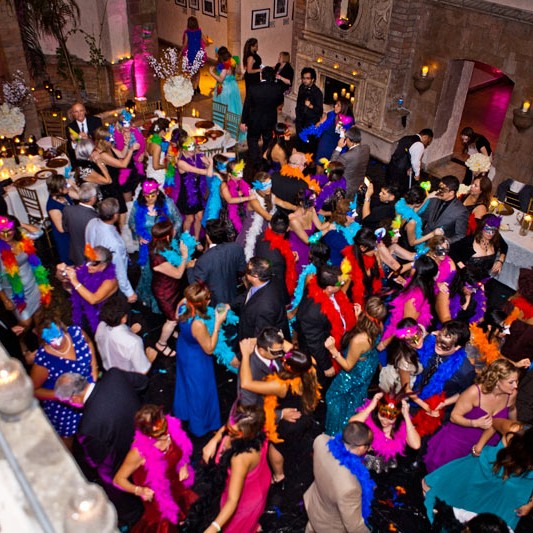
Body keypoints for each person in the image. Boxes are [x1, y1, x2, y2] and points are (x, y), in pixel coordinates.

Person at [54, 369, 148, 527]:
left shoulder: (88, 427)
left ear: (74, 398)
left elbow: (98, 461)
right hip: (146, 437)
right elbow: (143, 383)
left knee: (108, 479)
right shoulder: (114, 375)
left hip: (125, 460)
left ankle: (131, 516)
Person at [423, 419, 533, 531]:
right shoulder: (514, 430)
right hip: (483, 474)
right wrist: (479, 447)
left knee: (490, 526)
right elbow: (493, 423)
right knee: (455, 509)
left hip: (510, 494)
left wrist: (531, 504)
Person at [239, 340, 320, 484]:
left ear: (288, 367)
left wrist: (245, 355)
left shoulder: (281, 386)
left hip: (289, 422)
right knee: (298, 442)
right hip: (304, 414)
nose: (282, 359)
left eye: (284, 360)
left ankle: (278, 475)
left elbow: (246, 384)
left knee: (276, 447)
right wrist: (273, 340)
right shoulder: (310, 367)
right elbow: (292, 351)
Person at [113, 405, 198, 531]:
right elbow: (118, 479)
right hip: (158, 496)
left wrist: (183, 464)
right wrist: (139, 490)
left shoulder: (172, 427)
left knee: (184, 511)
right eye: (158, 433)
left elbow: (183, 448)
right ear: (147, 433)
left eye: (164, 427)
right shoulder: (138, 453)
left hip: (177, 484)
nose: (166, 434)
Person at [424, 359, 517, 473]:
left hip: (485, 446)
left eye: (516, 381)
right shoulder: (475, 392)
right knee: (443, 475)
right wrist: (474, 423)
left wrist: (515, 429)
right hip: (458, 443)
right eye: (511, 382)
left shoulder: (511, 394)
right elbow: (454, 416)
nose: (515, 385)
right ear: (497, 381)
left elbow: (512, 409)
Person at [200, 404, 270, 533]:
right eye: (228, 428)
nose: (228, 433)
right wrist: (214, 439)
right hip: (258, 478)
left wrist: (213, 528)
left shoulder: (239, 459)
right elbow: (229, 426)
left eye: (233, 432)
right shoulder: (257, 425)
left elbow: (232, 501)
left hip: (246, 498)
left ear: (247, 435)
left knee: (235, 527)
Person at [324, 297, 388, 435]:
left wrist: (333, 350)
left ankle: (336, 433)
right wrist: (359, 318)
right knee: (354, 401)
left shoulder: (359, 339)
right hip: (368, 363)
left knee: (334, 399)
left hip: (355, 374)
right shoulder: (379, 326)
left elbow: (348, 366)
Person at [31, 318, 98, 447]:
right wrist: (63, 396)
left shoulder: (77, 333)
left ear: (63, 329)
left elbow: (89, 342)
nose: (57, 343)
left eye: (59, 337)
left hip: (87, 391)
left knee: (93, 427)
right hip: (65, 408)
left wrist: (94, 367)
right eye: (51, 341)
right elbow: (34, 390)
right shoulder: (44, 358)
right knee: (68, 438)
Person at [173, 283, 224, 437]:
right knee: (199, 390)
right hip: (196, 359)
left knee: (185, 383)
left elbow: (177, 312)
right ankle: (200, 426)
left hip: (184, 348)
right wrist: (217, 324)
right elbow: (209, 348)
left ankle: (184, 412)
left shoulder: (183, 307)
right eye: (207, 299)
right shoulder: (198, 324)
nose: (209, 301)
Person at [304, 421, 374, 533]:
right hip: (330, 526)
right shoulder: (350, 488)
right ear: (360, 447)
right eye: (369, 445)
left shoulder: (321, 441)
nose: (370, 448)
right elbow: (355, 527)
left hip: (314, 506)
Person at [295, 265, 356, 389]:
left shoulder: (331, 292)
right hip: (325, 356)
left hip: (339, 347)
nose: (343, 283)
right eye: (341, 282)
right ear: (329, 287)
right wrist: (326, 366)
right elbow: (315, 343)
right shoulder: (312, 312)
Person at [129, 179, 182, 312]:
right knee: (148, 273)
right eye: (147, 195)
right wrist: (139, 235)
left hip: (164, 246)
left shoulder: (168, 203)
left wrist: (172, 232)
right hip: (147, 247)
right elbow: (132, 223)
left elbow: (178, 220)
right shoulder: (137, 206)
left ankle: (164, 303)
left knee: (164, 276)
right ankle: (148, 300)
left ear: (158, 192)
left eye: (152, 194)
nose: (150, 198)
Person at [349, 391, 421, 473]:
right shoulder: (369, 420)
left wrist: (406, 416)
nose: (385, 421)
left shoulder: (400, 427)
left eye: (391, 418)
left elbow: (416, 445)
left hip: (386, 472)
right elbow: (352, 424)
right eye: (382, 415)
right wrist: (371, 406)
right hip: (362, 468)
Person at [0, 215, 51, 327]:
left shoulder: (22, 241)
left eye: (9, 230)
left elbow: (39, 232)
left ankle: (38, 335)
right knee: (25, 323)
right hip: (14, 292)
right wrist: (5, 300)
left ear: (15, 230)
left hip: (33, 285)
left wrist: (19, 224)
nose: (6, 235)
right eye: (2, 231)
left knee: (39, 315)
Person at [150, 220, 189, 357]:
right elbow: (178, 274)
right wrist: (184, 256)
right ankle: (161, 343)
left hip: (172, 287)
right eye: (172, 230)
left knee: (174, 314)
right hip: (165, 292)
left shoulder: (164, 246)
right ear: (167, 236)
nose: (175, 231)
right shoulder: (158, 258)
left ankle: (171, 332)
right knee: (173, 319)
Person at [235, 171, 296, 261]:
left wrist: (296, 208)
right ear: (258, 186)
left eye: (269, 184)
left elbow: (282, 203)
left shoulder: (270, 196)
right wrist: (284, 220)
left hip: (264, 232)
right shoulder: (254, 200)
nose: (268, 188)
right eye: (265, 186)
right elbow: (267, 216)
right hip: (251, 233)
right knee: (248, 258)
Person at [58, 245, 118, 335]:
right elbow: (65, 282)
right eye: (87, 260)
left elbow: (93, 299)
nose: (88, 264)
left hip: (105, 319)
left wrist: (74, 281)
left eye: (93, 262)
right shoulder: (86, 270)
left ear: (103, 265)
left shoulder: (111, 280)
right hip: (85, 315)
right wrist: (61, 272)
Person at [85, 197, 136, 303]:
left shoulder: (92, 222)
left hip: (96, 269)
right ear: (115, 215)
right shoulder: (114, 242)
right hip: (111, 278)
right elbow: (119, 268)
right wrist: (129, 292)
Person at [380, 255, 438, 348]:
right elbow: (395, 274)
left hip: (398, 337)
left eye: (414, 266)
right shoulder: (425, 285)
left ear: (417, 272)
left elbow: (407, 328)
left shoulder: (414, 298)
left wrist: (384, 344)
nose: (411, 267)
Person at [189, 218, 247, 306]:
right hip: (234, 296)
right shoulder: (236, 248)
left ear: (207, 237)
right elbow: (242, 269)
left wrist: (190, 268)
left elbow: (195, 286)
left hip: (215, 302)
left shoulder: (203, 260)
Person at [95, 294, 156, 374]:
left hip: (107, 370)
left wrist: (129, 331)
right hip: (127, 377)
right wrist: (150, 359)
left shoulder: (100, 327)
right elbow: (141, 373)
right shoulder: (134, 342)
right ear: (123, 319)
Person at [236, 257, 291, 340]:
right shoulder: (263, 281)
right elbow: (247, 295)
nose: (245, 272)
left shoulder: (265, 307)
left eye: (247, 270)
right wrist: (230, 305)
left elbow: (260, 338)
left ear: (255, 276)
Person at [241, 66, 285, 165]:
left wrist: (244, 121)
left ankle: (255, 162)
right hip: (270, 119)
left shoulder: (253, 88)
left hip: (255, 119)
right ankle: (265, 160)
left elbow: (247, 105)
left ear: (261, 75)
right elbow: (280, 102)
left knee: (252, 140)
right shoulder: (278, 88)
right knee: (268, 141)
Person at [255, 210, 297, 305]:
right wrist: (286, 302)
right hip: (271, 298)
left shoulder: (262, 236)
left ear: (270, 226)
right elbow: (280, 284)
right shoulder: (278, 261)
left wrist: (289, 256)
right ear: (288, 229)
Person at [451, 214, 508, 281]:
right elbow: (452, 249)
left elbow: (504, 246)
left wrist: (500, 261)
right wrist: (463, 268)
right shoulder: (469, 241)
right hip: (465, 280)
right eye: (488, 229)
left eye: (494, 229)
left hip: (484, 280)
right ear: (481, 228)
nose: (491, 233)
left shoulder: (496, 238)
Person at [176, 136, 212, 242]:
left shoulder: (197, 156)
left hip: (198, 191)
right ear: (182, 148)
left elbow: (208, 165)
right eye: (189, 147)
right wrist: (211, 163)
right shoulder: (181, 162)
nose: (192, 150)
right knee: (190, 218)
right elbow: (204, 172)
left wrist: (206, 159)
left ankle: (196, 239)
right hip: (188, 194)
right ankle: (186, 240)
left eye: (193, 147)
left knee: (199, 217)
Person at [289, 188, 330, 274]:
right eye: (311, 201)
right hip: (297, 251)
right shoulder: (293, 220)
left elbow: (320, 226)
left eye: (314, 201)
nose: (314, 204)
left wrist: (334, 220)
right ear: (301, 203)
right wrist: (326, 231)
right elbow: (308, 241)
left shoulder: (311, 210)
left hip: (309, 250)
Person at [340, 227, 383, 307]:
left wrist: (378, 259)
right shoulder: (348, 263)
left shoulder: (373, 254)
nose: (375, 251)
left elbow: (379, 275)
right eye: (372, 249)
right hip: (356, 303)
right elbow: (343, 292)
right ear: (362, 248)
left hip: (372, 298)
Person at [421, 175, 469, 244]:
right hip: (422, 238)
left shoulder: (461, 211)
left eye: (443, 190)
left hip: (438, 245)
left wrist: (444, 242)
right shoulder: (434, 198)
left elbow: (460, 235)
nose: (439, 191)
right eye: (439, 188)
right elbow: (423, 216)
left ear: (451, 193)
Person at [387, 128, 433, 195]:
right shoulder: (419, 145)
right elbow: (415, 162)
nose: (427, 144)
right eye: (428, 141)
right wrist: (417, 174)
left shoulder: (405, 138)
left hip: (392, 165)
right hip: (402, 171)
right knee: (398, 190)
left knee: (390, 187)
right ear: (426, 137)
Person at [62, 182, 99, 266]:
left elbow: (65, 228)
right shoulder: (95, 217)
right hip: (91, 257)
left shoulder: (68, 210)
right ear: (93, 198)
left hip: (76, 253)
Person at [112, 111, 146, 201]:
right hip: (125, 164)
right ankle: (129, 206)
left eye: (129, 123)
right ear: (120, 124)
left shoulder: (136, 130)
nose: (127, 127)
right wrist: (127, 144)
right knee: (127, 188)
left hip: (137, 163)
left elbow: (143, 144)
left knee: (141, 186)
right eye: (125, 124)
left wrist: (142, 153)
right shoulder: (114, 135)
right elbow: (118, 153)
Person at [330, 126, 370, 201]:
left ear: (348, 140)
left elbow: (332, 167)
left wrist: (339, 147)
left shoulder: (346, 157)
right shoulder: (366, 148)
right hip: (358, 186)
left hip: (346, 189)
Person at [210, 46, 243, 128]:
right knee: (233, 108)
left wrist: (211, 73)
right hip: (233, 87)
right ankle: (234, 127)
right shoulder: (233, 61)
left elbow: (221, 79)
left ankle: (220, 127)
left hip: (225, 89)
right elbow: (239, 72)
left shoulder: (224, 66)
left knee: (222, 108)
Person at [46, 174, 74, 264]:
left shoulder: (64, 195)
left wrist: (73, 186)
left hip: (72, 233)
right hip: (65, 238)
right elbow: (61, 229)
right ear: (58, 189)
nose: (67, 185)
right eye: (65, 185)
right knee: (71, 261)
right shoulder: (53, 207)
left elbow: (81, 196)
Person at [295, 67, 323, 152]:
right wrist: (297, 114)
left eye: (307, 78)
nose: (304, 80)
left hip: (310, 122)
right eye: (303, 78)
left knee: (308, 145)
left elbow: (319, 111)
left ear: (312, 79)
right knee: (299, 142)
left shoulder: (318, 93)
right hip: (300, 120)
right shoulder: (301, 87)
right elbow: (298, 102)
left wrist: (311, 106)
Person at [181, 16, 206, 94]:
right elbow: (205, 41)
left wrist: (180, 53)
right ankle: (197, 87)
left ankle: (193, 88)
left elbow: (185, 44)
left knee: (192, 72)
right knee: (197, 71)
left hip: (191, 54)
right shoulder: (200, 32)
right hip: (198, 54)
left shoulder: (187, 33)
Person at [145, 117, 171, 186]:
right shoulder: (157, 147)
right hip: (157, 175)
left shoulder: (149, 140)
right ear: (162, 131)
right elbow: (156, 166)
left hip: (149, 171)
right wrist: (166, 165)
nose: (167, 133)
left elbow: (146, 154)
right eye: (166, 130)